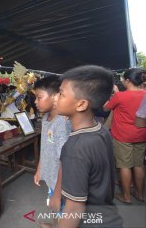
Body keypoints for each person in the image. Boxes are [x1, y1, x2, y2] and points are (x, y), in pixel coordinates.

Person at [56, 65, 123, 227]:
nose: (55, 98)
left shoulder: (75, 148)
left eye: (61, 94)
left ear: (81, 104)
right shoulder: (101, 130)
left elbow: (74, 209)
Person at [104, 68, 146, 204]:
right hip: (141, 134)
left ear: (128, 80)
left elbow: (106, 107)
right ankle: (140, 194)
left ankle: (126, 196)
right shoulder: (145, 94)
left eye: (123, 79)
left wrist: (112, 95)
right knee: (139, 165)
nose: (122, 81)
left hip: (123, 136)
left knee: (125, 166)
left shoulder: (120, 96)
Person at [33, 75, 70, 215]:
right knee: (56, 210)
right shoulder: (45, 118)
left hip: (61, 184)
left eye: (39, 97)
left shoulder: (62, 123)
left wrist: (58, 194)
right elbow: (45, 148)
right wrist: (39, 169)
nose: (35, 102)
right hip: (51, 178)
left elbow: (66, 162)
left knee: (63, 213)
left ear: (55, 97)